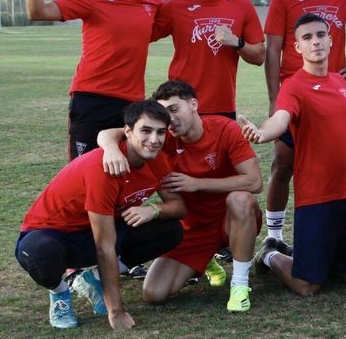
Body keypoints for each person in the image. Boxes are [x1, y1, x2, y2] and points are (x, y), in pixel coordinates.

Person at [15, 100, 185, 330]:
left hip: (101, 228)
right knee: (41, 254)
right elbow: (104, 247)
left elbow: (178, 207)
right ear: (127, 131)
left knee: (170, 229)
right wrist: (116, 311)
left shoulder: (156, 159)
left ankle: (93, 279)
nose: (154, 140)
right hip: (54, 233)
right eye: (145, 130)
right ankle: (60, 294)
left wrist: (153, 209)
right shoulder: (104, 168)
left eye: (160, 132)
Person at [99, 81, 263, 311]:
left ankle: (240, 285)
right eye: (164, 114)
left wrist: (197, 184)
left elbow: (255, 182)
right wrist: (111, 149)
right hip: (192, 229)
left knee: (241, 199)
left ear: (193, 104)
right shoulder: (161, 138)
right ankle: (205, 260)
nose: (170, 119)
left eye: (174, 109)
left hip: (230, 219)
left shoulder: (225, 129)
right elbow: (110, 133)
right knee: (153, 293)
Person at [262, 0, 346, 252]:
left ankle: (337, 228)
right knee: (283, 162)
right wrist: (273, 98)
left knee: (340, 160)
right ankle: (275, 236)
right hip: (296, 93)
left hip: (334, 92)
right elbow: (273, 50)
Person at [242, 13, 346, 296]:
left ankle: (321, 255)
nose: (315, 42)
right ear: (297, 48)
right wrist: (262, 133)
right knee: (307, 284)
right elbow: (281, 119)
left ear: (330, 40)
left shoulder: (339, 82)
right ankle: (270, 255)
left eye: (320, 35)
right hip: (316, 197)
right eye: (307, 38)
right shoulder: (294, 86)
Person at [26, 0, 163, 160]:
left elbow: (186, 12)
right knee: (82, 171)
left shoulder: (153, 4)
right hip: (92, 100)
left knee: (124, 173)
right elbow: (38, 11)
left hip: (132, 105)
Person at [151, 0, 266, 117]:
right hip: (180, 103)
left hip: (223, 105)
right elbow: (142, 33)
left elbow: (259, 57)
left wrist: (237, 42)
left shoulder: (241, 5)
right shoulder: (175, 6)